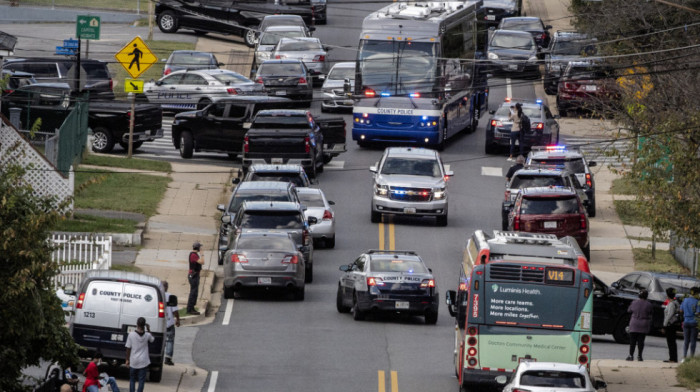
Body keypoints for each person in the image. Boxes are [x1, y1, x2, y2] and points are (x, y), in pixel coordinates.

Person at [125, 317, 154, 392]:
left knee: (132, 379)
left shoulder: (131, 335)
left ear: (137, 324)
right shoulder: (147, 335)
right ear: (144, 325)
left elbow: (128, 348)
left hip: (134, 361)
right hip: (143, 361)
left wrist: (127, 359)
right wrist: (149, 329)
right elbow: (152, 339)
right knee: (141, 380)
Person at [626, 289, 653, 361]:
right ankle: (639, 356)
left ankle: (631, 355)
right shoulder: (649, 304)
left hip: (634, 322)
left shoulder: (634, 302)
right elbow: (650, 313)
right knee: (641, 341)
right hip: (644, 323)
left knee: (632, 341)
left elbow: (629, 310)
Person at [163, 280, 181, 366]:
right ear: (167, 287)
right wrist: (177, 319)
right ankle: (168, 358)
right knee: (169, 341)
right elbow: (175, 311)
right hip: (169, 323)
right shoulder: (170, 296)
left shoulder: (156, 295)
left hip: (158, 324)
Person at [680, 286, 700, 360]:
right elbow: (698, 313)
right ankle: (691, 357)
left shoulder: (685, 300)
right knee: (693, 341)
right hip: (694, 322)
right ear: (697, 293)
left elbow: (681, 310)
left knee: (686, 340)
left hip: (686, 321)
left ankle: (684, 356)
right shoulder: (697, 302)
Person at [662, 287, 680, 363]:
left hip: (670, 325)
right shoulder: (676, 302)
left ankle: (673, 358)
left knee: (671, 342)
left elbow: (669, 315)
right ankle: (672, 358)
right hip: (674, 324)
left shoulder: (672, 304)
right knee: (672, 342)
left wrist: (664, 325)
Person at [187, 241, 205, 315]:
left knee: (195, 292)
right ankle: (190, 308)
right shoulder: (193, 255)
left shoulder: (195, 255)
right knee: (193, 292)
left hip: (196, 275)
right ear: (198, 248)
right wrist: (202, 254)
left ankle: (192, 307)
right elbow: (202, 262)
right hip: (193, 276)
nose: (201, 248)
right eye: (200, 247)